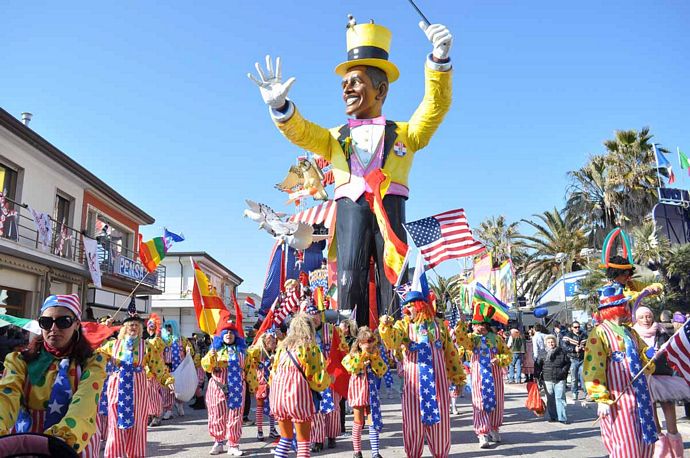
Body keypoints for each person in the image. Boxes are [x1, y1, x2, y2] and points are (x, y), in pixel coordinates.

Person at [248, 18, 454, 327]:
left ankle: (393, 341)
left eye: (355, 81)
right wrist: (282, 108)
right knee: (349, 273)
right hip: (349, 210)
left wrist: (439, 62)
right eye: (344, 83)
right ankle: (349, 340)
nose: (347, 88)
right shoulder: (334, 137)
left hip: (391, 208)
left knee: (394, 276)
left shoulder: (406, 133)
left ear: (381, 90)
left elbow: (434, 106)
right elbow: (302, 133)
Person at [0, 294, 107, 456]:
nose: (53, 329)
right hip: (27, 446)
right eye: (46, 322)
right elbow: (6, 397)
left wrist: (60, 440)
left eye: (63, 322)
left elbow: (84, 404)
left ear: (77, 324)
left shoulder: (92, 362)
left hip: (72, 445)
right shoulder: (19, 360)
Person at [380, 291, 465, 458]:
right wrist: (386, 326)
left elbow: (451, 353)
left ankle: (440, 454)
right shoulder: (402, 326)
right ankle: (413, 455)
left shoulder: (439, 325)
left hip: (438, 385)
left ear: (420, 306)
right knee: (413, 425)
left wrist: (458, 378)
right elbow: (392, 341)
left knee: (440, 425)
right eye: (405, 307)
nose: (406, 310)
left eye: (410, 306)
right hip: (414, 387)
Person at [584, 282, 658, 458]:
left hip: (640, 396)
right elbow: (593, 366)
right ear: (617, 308)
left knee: (644, 441)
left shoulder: (630, 332)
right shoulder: (599, 332)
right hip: (618, 399)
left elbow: (644, 360)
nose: (628, 307)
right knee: (625, 443)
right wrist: (600, 398)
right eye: (625, 304)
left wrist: (650, 355)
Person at [99, 313, 174, 458]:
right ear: (125, 328)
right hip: (117, 387)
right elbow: (94, 348)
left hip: (138, 388)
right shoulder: (112, 345)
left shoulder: (146, 346)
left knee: (138, 425)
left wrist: (167, 380)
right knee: (115, 425)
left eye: (136, 325)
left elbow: (157, 365)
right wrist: (103, 328)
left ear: (140, 328)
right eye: (130, 324)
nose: (133, 327)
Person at [269, 312, 331, 458]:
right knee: (303, 443)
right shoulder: (310, 348)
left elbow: (273, 374)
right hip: (298, 397)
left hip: (278, 397)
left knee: (285, 440)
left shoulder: (282, 348)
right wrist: (329, 379)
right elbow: (317, 377)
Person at [633, 306, 690, 457]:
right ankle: (661, 452)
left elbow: (671, 350)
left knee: (669, 408)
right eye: (642, 317)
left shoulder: (662, 331)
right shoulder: (633, 334)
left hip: (663, 375)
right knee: (651, 414)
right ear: (637, 319)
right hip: (645, 377)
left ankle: (676, 451)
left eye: (648, 316)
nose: (646, 320)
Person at [455, 306, 511, 449]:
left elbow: (507, 355)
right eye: (473, 325)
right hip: (479, 376)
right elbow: (460, 339)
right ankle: (482, 433)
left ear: (484, 325)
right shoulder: (472, 338)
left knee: (497, 403)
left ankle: (494, 428)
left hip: (495, 376)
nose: (474, 327)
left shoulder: (497, 338)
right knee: (480, 403)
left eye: (476, 324)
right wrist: (461, 323)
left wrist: (499, 359)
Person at [201, 319, 252, 456]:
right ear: (221, 335)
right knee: (217, 414)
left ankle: (233, 444)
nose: (229, 334)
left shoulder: (243, 351)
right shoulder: (215, 350)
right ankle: (218, 442)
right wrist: (210, 358)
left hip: (237, 387)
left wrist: (254, 385)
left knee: (235, 416)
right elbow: (205, 366)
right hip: (218, 387)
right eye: (225, 332)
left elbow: (249, 368)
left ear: (236, 335)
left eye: (231, 332)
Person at [305, 305, 349, 452]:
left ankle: (332, 436)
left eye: (316, 315)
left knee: (333, 408)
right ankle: (317, 439)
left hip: (331, 375)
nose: (314, 318)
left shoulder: (332, 330)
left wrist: (345, 371)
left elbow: (343, 349)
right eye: (311, 316)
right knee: (316, 409)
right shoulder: (305, 333)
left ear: (320, 315)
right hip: (314, 376)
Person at [342, 327, 388, 458]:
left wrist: (374, 360)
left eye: (372, 345)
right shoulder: (352, 356)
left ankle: (375, 452)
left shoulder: (375, 355)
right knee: (358, 421)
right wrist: (362, 359)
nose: (370, 348)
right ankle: (357, 451)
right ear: (360, 343)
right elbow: (350, 368)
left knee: (372, 421)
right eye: (368, 345)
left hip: (371, 391)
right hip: (358, 390)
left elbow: (382, 370)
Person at [245, 328, 280, 442]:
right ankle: (259, 430)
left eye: (275, 342)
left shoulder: (277, 352)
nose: (274, 344)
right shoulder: (258, 351)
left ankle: (272, 429)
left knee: (272, 407)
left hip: (273, 383)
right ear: (265, 342)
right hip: (261, 382)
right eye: (271, 342)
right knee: (259, 406)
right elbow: (248, 355)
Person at [161, 320, 193, 419]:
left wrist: (189, 350)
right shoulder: (162, 340)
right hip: (167, 368)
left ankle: (179, 404)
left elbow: (190, 350)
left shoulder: (181, 339)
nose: (168, 329)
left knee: (179, 388)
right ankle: (168, 410)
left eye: (170, 326)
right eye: (166, 327)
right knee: (167, 390)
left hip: (179, 368)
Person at [538, 335, 570, 424]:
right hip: (547, 378)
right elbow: (538, 366)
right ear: (546, 343)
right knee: (550, 399)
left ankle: (562, 418)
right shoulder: (542, 353)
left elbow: (567, 363)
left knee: (560, 398)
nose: (551, 344)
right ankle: (553, 417)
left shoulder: (561, 352)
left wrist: (563, 372)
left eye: (552, 342)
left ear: (555, 342)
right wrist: (537, 377)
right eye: (549, 342)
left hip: (560, 378)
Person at [144, 313, 165, 427]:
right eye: (149, 325)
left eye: (152, 325)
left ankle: (156, 415)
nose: (150, 327)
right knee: (146, 394)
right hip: (145, 370)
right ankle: (149, 414)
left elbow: (159, 354)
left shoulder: (157, 340)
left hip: (154, 371)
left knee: (153, 393)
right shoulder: (146, 340)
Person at [561, 321, 587, 402]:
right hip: (573, 359)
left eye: (578, 327)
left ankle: (586, 393)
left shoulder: (584, 335)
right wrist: (573, 349)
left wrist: (585, 348)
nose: (577, 328)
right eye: (575, 327)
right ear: (572, 328)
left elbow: (589, 344)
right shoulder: (568, 336)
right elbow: (564, 346)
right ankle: (574, 393)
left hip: (582, 359)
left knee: (584, 376)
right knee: (574, 378)